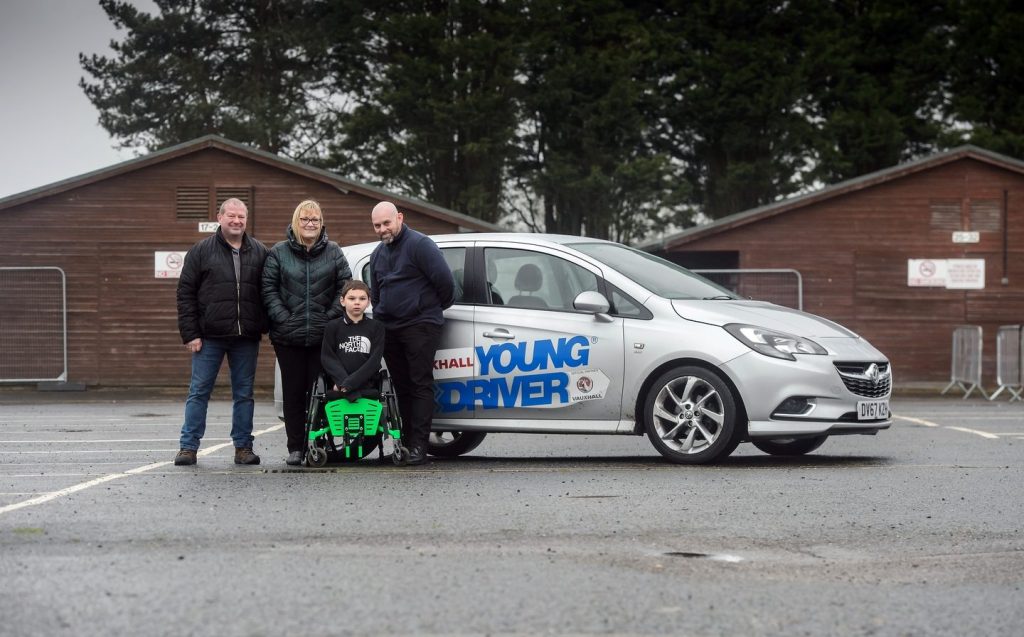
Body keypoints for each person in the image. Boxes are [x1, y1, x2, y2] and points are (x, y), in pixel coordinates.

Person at [175, 198, 268, 466]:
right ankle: (188, 447)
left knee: (244, 394)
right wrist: (191, 333)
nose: (237, 220)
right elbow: (185, 293)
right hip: (209, 337)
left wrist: (265, 326)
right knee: (199, 391)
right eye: (231, 216)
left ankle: (243, 448)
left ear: (246, 220)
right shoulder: (201, 251)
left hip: (246, 338)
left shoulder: (260, 251)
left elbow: (268, 292)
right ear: (220, 217)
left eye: (241, 216)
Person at [262, 200, 352, 465]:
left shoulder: (334, 252)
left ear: (321, 223)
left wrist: (329, 317)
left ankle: (319, 442)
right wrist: (284, 317)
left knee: (321, 392)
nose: (310, 224)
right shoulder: (278, 252)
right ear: (295, 222)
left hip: (323, 337)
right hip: (287, 337)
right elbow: (268, 289)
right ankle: (296, 447)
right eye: (305, 220)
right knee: (293, 392)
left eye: (315, 220)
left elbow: (344, 287)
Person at [368, 201, 455, 465]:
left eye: (387, 223)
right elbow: (377, 292)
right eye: (377, 225)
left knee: (419, 384)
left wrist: (424, 310)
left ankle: (419, 446)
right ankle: (405, 443)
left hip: (420, 325)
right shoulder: (376, 255)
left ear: (400, 218)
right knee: (401, 387)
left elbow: (447, 286)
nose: (383, 229)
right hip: (391, 329)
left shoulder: (421, 245)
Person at [320, 280, 385, 402]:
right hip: (338, 384)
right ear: (342, 301)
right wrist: (342, 382)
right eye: (352, 298)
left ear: (368, 302)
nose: (357, 302)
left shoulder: (377, 327)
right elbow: (327, 358)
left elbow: (374, 361)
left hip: (366, 384)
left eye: (362, 299)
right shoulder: (332, 326)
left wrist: (350, 384)